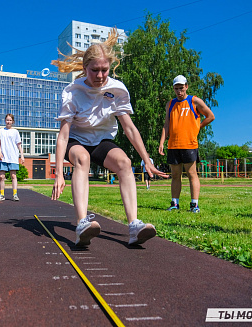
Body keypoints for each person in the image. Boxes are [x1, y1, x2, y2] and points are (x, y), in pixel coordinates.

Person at [51, 29, 167, 247]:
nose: (100, 76)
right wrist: (58, 174)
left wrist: (147, 159)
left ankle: (134, 226)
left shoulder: (117, 89)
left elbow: (129, 128)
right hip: (76, 140)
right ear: (85, 68)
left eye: (104, 70)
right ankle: (82, 224)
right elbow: (63, 135)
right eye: (94, 70)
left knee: (124, 162)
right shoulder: (72, 92)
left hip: (102, 140)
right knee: (82, 159)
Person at [158, 75, 215, 213]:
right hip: (173, 145)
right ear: (173, 88)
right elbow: (167, 124)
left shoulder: (194, 101)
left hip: (189, 144)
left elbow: (211, 116)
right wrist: (161, 142)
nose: (179, 91)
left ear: (186, 87)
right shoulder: (170, 103)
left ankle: (194, 205)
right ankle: (174, 203)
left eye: (181, 88)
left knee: (191, 174)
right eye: (176, 89)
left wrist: (198, 127)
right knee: (175, 175)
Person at [0, 114, 25, 201]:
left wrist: (22, 155)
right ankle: (1, 194)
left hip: (13, 156)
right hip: (3, 156)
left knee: (13, 175)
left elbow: (19, 144)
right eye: (7, 120)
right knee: (1, 176)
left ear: (13, 121)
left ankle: (15, 194)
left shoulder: (15, 132)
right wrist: (0, 152)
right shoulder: (1, 131)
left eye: (10, 120)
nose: (8, 122)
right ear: (5, 121)